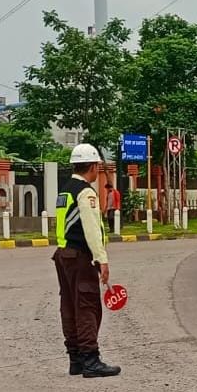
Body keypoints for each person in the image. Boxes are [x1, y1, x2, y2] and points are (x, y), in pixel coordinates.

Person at [54, 144, 120, 379]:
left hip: (63, 255)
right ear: (93, 166)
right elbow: (92, 230)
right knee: (87, 306)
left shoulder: (65, 190)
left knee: (69, 306)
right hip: (81, 257)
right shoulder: (86, 193)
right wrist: (102, 260)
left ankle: (76, 359)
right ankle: (90, 359)